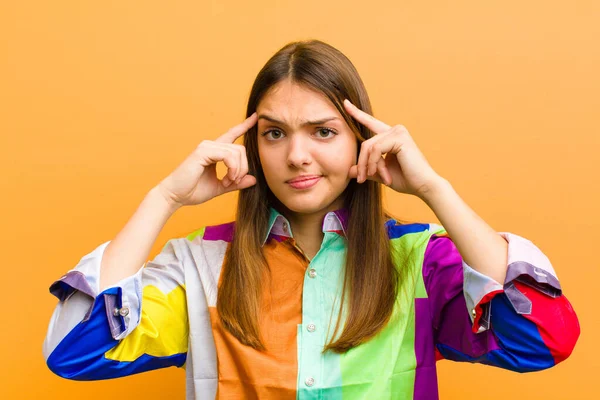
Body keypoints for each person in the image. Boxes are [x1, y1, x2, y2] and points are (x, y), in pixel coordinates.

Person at [42, 39, 580, 400]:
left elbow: (541, 338)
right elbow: (76, 349)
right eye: (274, 133)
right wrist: (163, 198)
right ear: (254, 146)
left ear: (360, 141)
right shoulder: (201, 264)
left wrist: (435, 190)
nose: (296, 156)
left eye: (323, 131)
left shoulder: (420, 261)